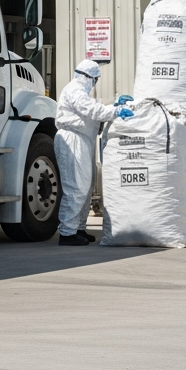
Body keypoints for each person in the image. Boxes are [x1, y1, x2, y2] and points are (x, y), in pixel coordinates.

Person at [55, 59, 133, 246]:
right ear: (89, 77)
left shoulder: (79, 91)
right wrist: (116, 111)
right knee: (76, 188)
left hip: (82, 139)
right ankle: (67, 233)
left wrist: (114, 106)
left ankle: (78, 229)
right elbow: (91, 110)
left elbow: (91, 109)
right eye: (95, 80)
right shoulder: (75, 89)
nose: (95, 84)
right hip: (72, 139)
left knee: (85, 187)